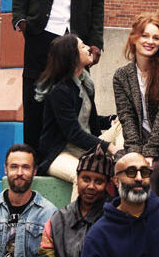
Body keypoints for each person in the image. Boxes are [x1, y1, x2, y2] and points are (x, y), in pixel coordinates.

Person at [12, 0, 105, 149]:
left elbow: (97, 4)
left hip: (74, 41)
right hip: (41, 35)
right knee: (35, 94)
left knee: (74, 94)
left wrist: (95, 43)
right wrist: (21, 20)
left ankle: (68, 151)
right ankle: (31, 155)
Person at [111, 12, 159, 193]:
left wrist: (150, 152)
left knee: (150, 173)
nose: (150, 41)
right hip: (136, 142)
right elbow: (126, 117)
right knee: (118, 167)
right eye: (145, 35)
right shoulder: (121, 75)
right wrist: (135, 152)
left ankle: (152, 220)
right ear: (134, 38)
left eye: (156, 38)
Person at [36, 33, 116, 180]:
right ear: (72, 56)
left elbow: (87, 121)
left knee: (123, 123)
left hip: (83, 148)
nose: (89, 49)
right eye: (83, 46)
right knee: (82, 175)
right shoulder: (59, 91)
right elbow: (73, 133)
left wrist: (112, 120)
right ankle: (75, 204)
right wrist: (108, 146)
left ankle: (123, 162)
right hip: (60, 152)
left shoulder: (85, 84)